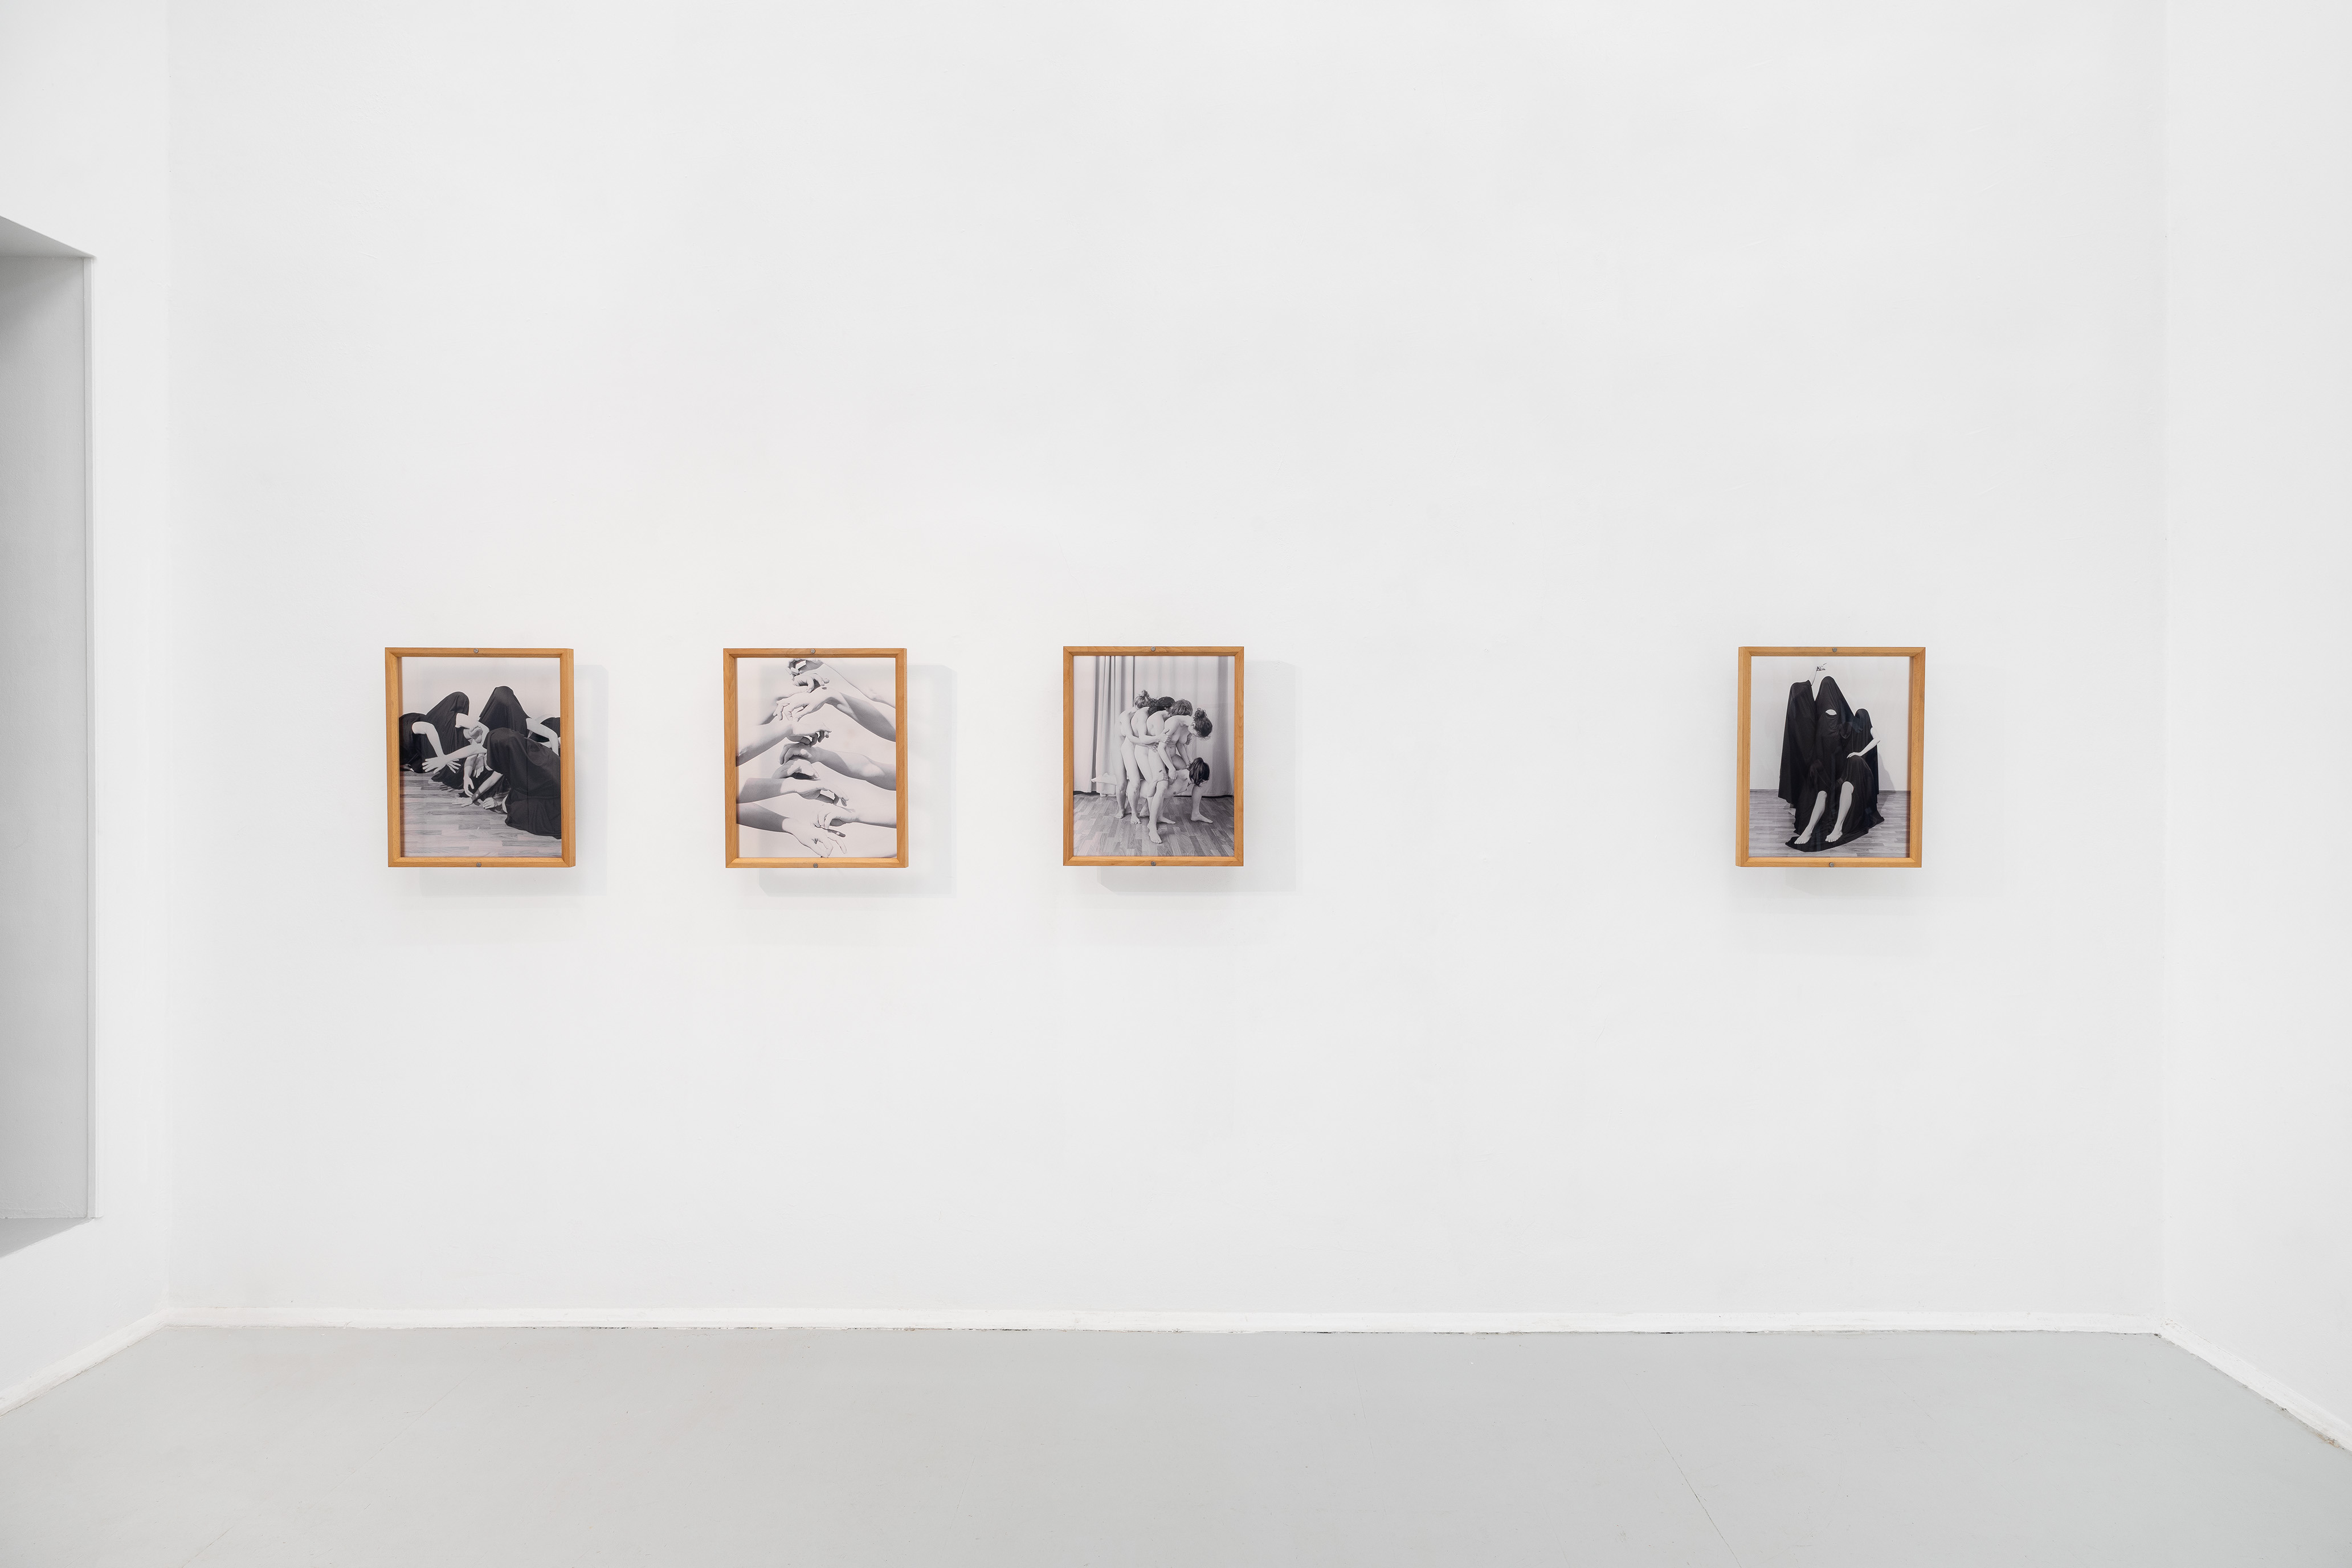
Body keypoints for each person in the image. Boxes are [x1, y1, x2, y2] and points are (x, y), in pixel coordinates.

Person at [1822, 709, 1883, 847]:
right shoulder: (1854, 731)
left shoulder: (1869, 729)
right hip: (1854, 767)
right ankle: (1838, 827)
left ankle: (1838, 827)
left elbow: (1878, 739)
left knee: (1855, 761)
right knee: (1846, 784)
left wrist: (1860, 753)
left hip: (1860, 766)